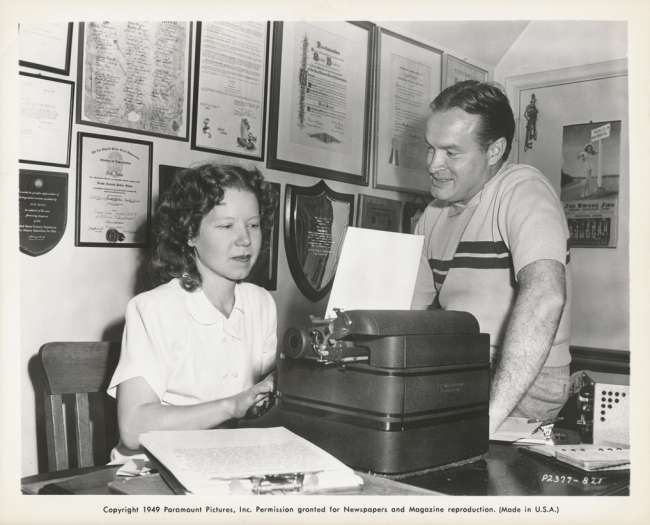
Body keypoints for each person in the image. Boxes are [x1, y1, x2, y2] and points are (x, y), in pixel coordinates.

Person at [411, 81, 571, 434]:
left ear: (495, 150)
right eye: (430, 149)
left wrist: (482, 424)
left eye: (451, 153)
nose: (433, 164)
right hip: (461, 371)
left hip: (526, 377)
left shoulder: (524, 190)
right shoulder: (434, 214)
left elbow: (546, 298)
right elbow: (405, 312)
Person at [107, 164, 277, 461]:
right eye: (226, 226)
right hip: (153, 470)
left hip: (228, 464)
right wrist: (231, 406)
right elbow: (133, 430)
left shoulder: (261, 304)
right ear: (190, 234)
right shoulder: (153, 309)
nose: (245, 240)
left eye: (253, 224)